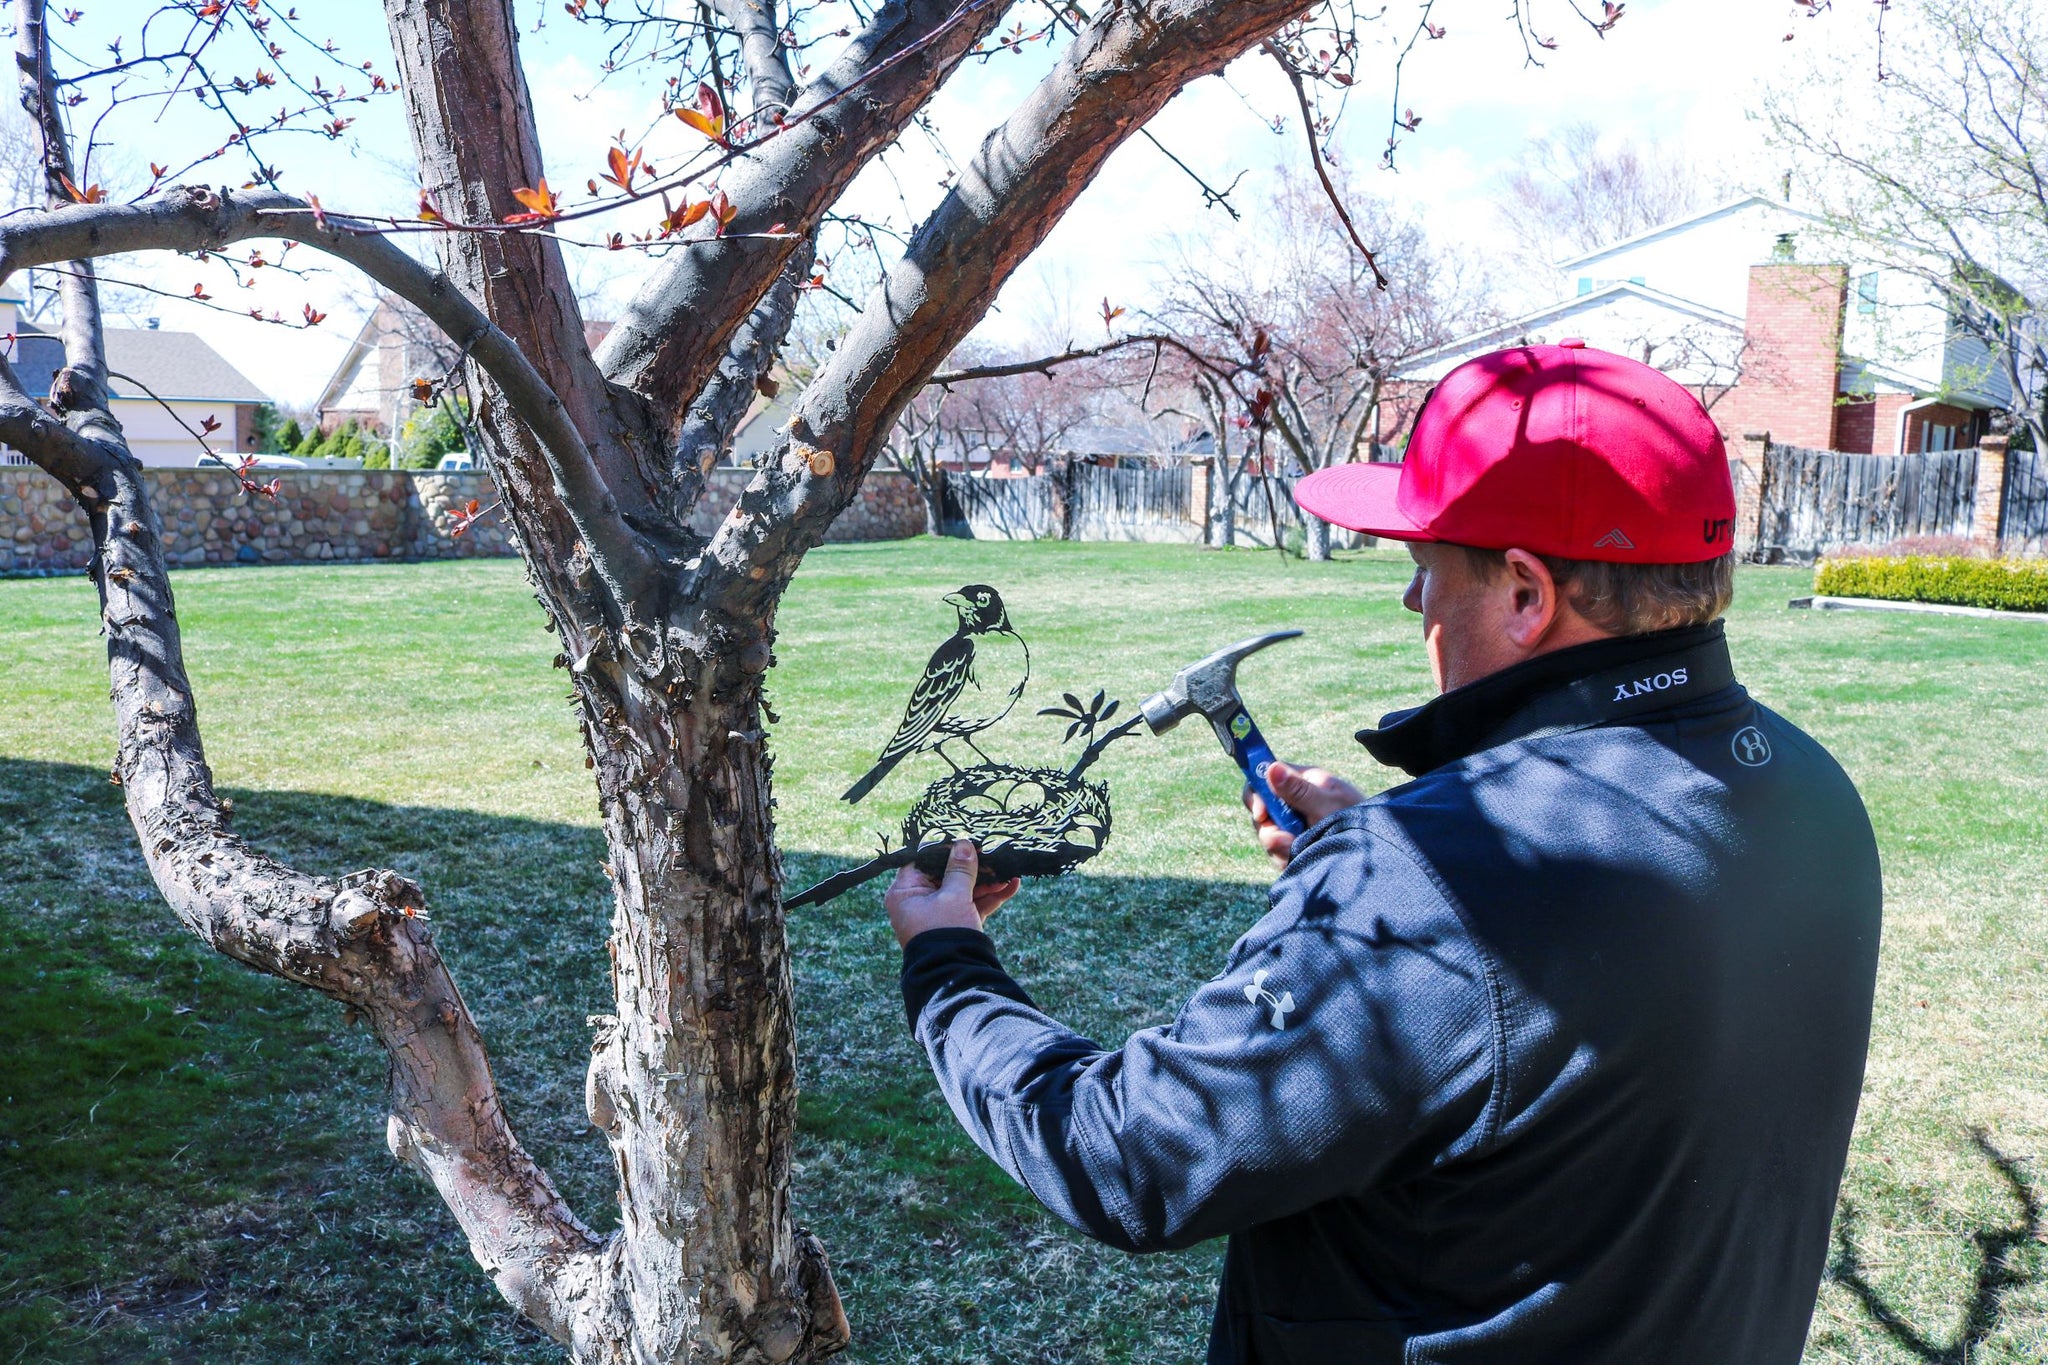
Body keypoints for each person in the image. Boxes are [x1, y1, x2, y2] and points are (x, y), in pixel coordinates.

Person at [883, 341, 1882, 1364]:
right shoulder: (1804, 789)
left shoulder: (1438, 884)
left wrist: (947, 961)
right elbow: (1573, 994)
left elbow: (1131, 1153)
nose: (1413, 605)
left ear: (1526, 595)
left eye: (1424, 568)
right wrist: (1377, 860)